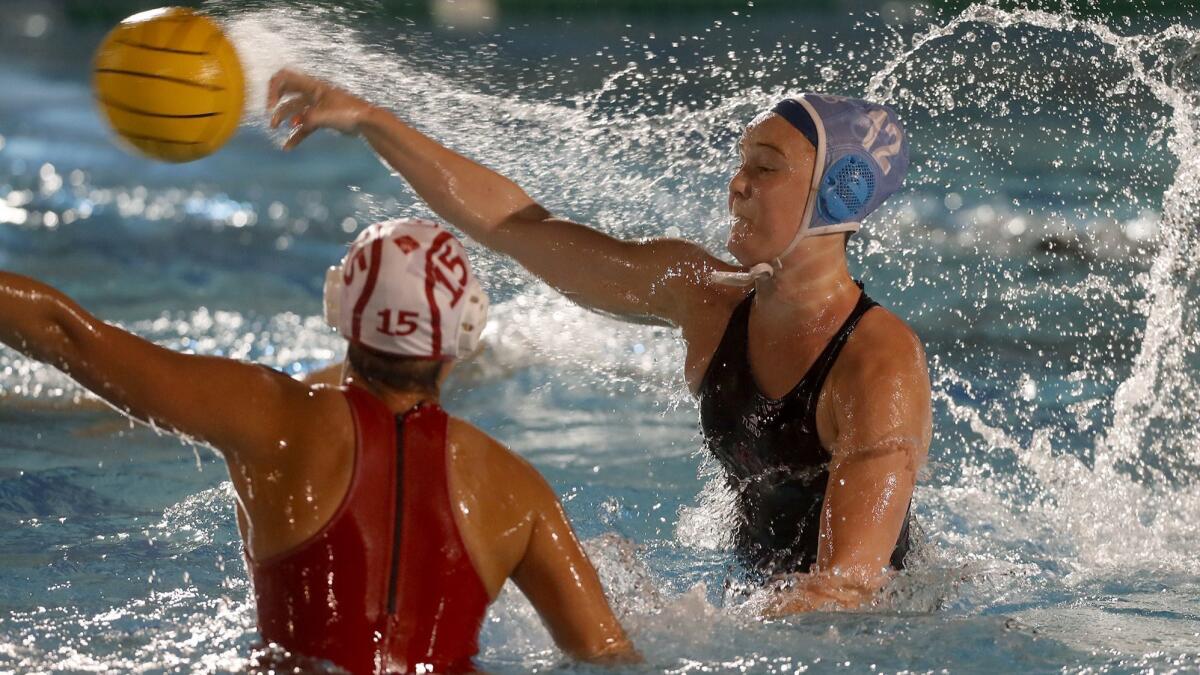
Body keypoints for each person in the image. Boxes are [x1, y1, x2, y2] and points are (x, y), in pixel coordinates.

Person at [267, 70, 933, 615]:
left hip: (872, 641)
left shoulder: (878, 365)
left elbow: (847, 590)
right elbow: (519, 227)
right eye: (740, 163)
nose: (737, 183)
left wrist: (690, 640)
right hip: (762, 611)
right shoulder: (705, 299)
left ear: (837, 198)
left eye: (765, 168)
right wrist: (372, 121)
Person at [0, 217, 636, 672]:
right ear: (466, 331)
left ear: (340, 309)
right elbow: (610, 656)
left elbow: (67, 335)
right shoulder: (518, 491)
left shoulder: (272, 419)